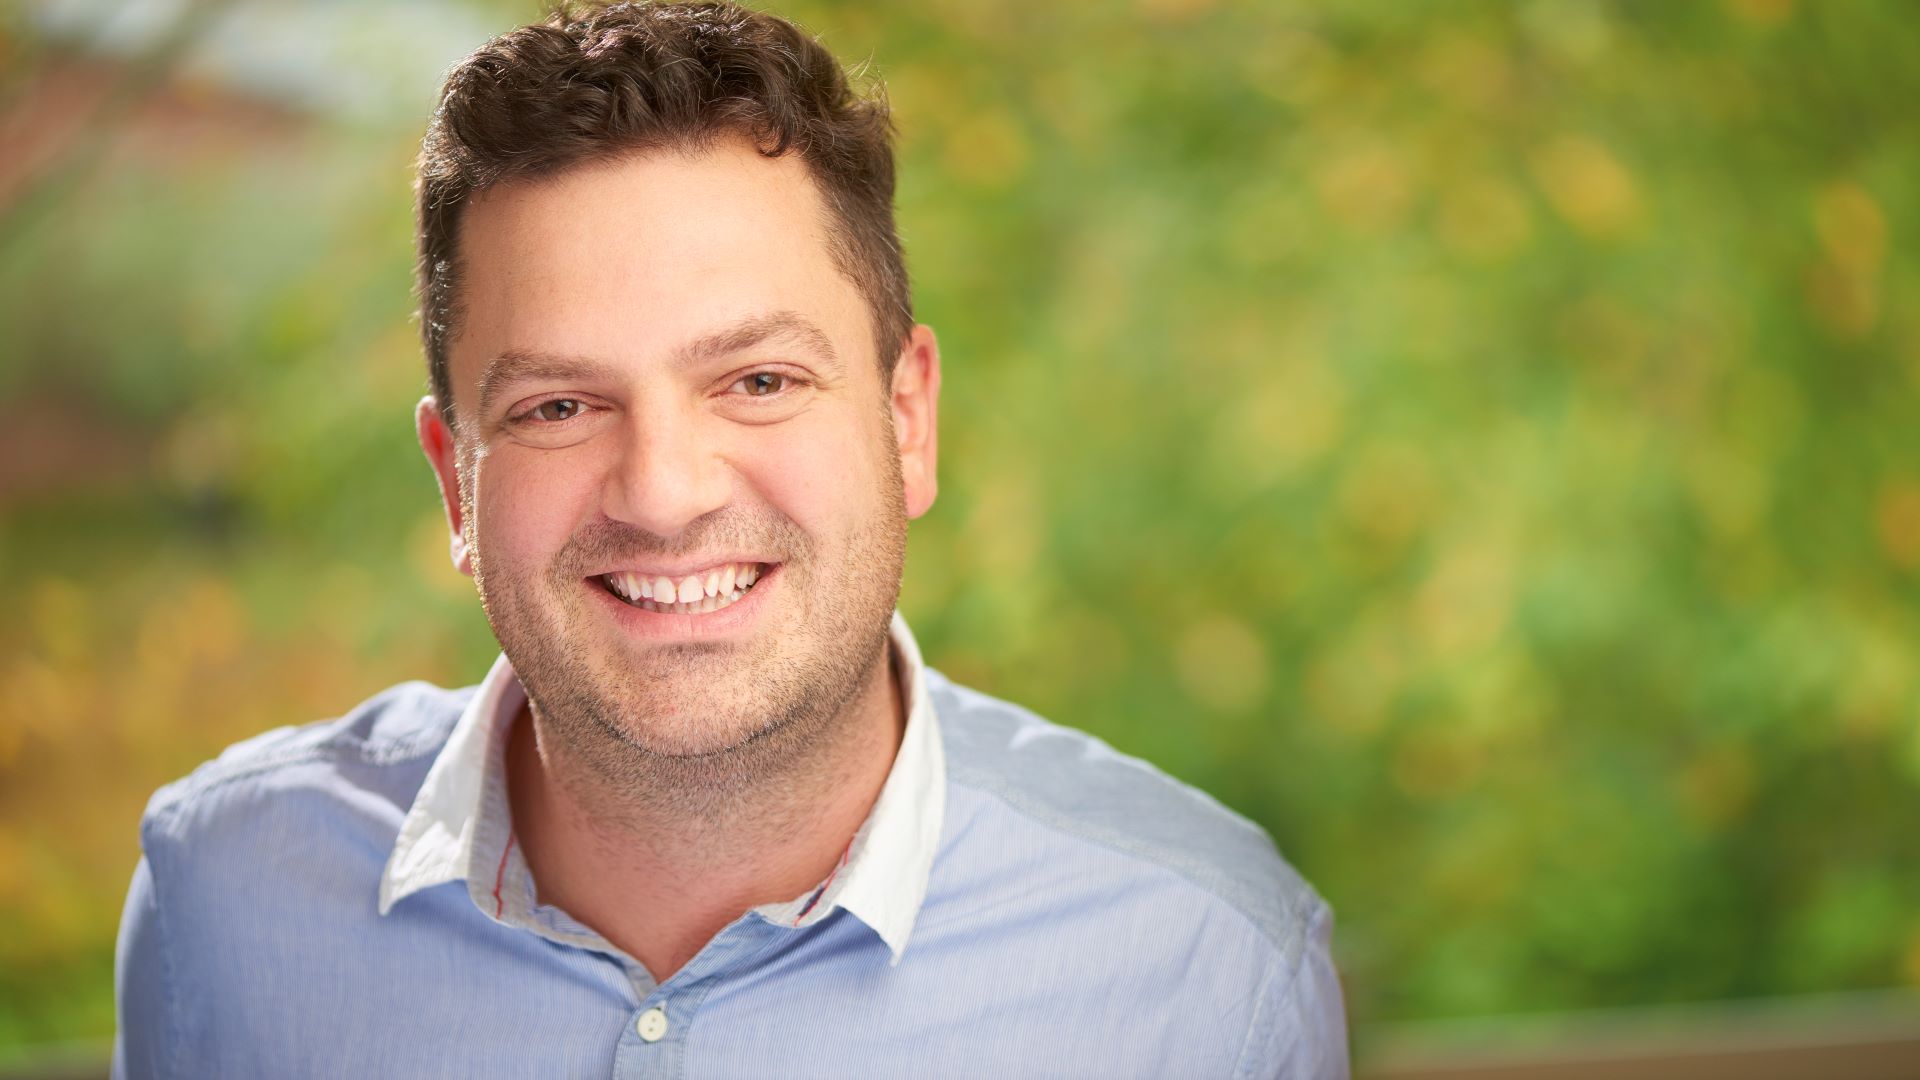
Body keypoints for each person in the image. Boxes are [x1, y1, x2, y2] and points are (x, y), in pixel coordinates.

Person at [112, 3, 1348, 1076]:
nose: (662, 492)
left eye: (757, 381)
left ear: (907, 422)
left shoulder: (1207, 964)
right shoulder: (221, 904)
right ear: (456, 486)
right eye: (557, 407)